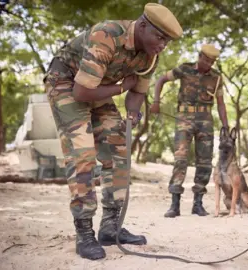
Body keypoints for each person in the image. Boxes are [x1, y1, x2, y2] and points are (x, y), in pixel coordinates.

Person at [43, 3, 182, 260]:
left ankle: (110, 227)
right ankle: (84, 233)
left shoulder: (150, 54)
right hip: (66, 84)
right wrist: (120, 89)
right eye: (160, 37)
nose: (163, 45)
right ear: (142, 26)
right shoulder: (106, 35)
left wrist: (132, 113)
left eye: (167, 41)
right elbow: (81, 92)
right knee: (82, 153)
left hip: (98, 88)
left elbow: (138, 91)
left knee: (119, 147)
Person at [150, 44, 229, 218]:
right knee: (180, 159)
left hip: (205, 120)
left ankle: (198, 204)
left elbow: (221, 104)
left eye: (212, 61)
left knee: (205, 162)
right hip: (183, 119)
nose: (208, 64)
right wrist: (156, 102)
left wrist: (225, 126)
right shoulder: (184, 69)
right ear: (199, 56)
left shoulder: (216, 78)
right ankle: (174, 204)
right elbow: (161, 80)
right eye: (206, 59)